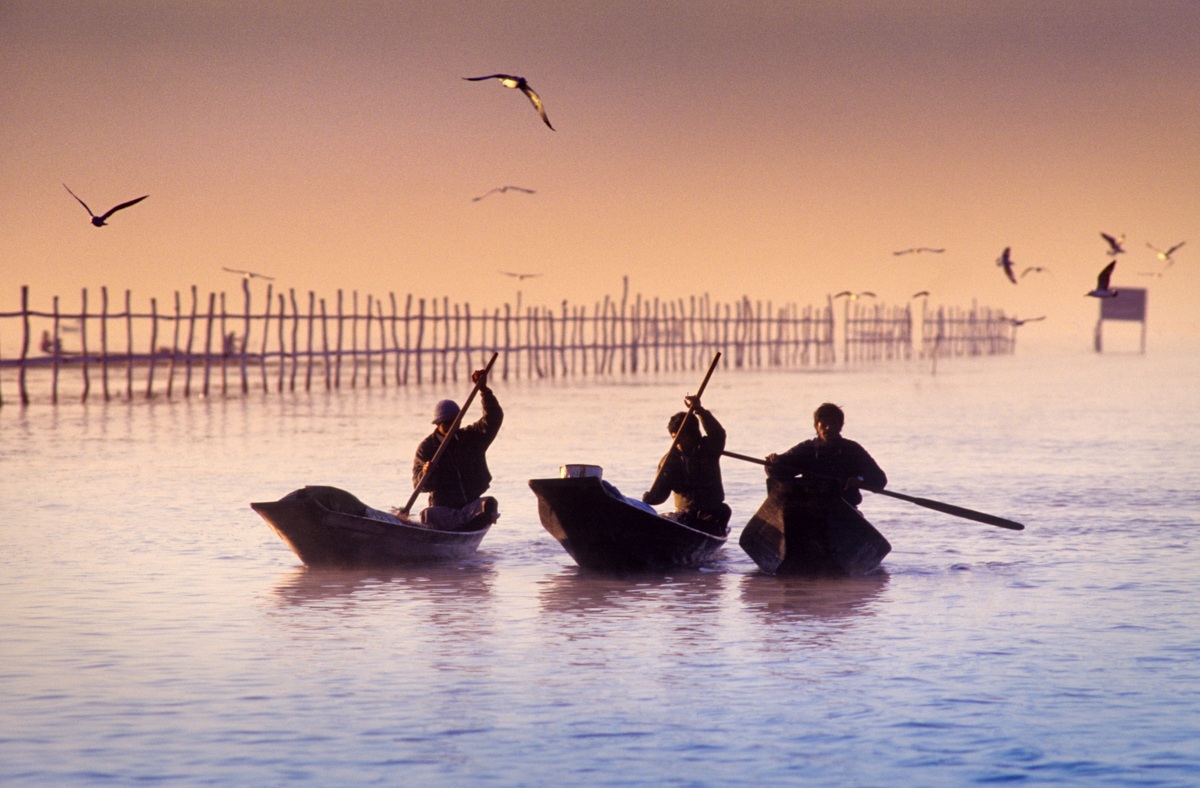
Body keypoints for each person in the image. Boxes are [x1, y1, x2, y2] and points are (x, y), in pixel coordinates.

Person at [411, 367, 503, 519]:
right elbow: (419, 486)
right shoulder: (427, 448)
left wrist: (484, 391)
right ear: (437, 424)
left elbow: (494, 418)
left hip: (471, 507)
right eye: (447, 424)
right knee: (427, 515)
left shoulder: (471, 437)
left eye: (456, 422)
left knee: (490, 504)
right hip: (444, 510)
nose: (453, 427)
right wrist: (426, 473)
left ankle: (471, 524)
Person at [765, 402, 886, 506]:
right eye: (824, 424)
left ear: (841, 426)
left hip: (844, 510)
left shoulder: (853, 450)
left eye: (833, 423)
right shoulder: (806, 449)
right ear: (816, 426)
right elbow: (778, 472)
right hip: (810, 509)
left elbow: (880, 479)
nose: (829, 428)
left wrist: (860, 479)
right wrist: (773, 464)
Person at [642, 395, 730, 535]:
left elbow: (718, 433)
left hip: (712, 512)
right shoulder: (670, 460)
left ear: (693, 434)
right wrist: (650, 498)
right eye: (674, 438)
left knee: (722, 512)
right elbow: (661, 495)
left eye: (682, 437)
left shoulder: (709, 449)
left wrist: (699, 410)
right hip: (685, 514)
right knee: (668, 521)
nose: (678, 443)